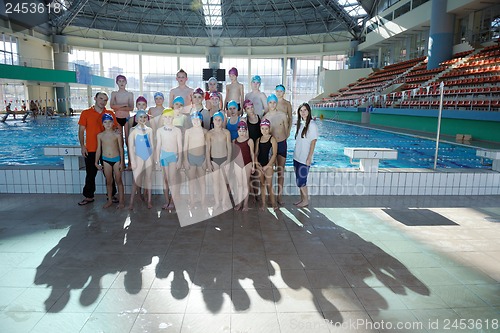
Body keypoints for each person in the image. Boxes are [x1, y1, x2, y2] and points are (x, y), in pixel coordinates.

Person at [78, 92, 118, 206]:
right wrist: (82, 146)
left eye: (105, 100)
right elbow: (81, 131)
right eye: (100, 98)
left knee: (109, 173)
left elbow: (115, 129)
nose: (103, 101)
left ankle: (111, 194)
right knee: (90, 173)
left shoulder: (110, 113)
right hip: (91, 148)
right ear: (95, 98)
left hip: (107, 149)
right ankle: (89, 196)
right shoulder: (86, 113)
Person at [262, 94, 289, 206]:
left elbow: (287, 131)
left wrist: (282, 140)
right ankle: (270, 196)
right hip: (271, 146)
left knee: (280, 171)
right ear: (267, 104)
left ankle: (279, 196)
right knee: (270, 173)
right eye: (270, 102)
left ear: (276, 103)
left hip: (282, 144)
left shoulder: (283, 115)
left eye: (274, 102)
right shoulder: (265, 117)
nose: (272, 104)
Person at [95, 113, 125, 209]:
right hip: (105, 160)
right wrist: (96, 162)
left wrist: (122, 162)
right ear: (102, 124)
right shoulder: (100, 135)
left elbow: (121, 149)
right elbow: (98, 149)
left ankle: (121, 202)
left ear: (113, 123)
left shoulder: (117, 135)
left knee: (118, 180)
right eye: (105, 122)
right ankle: (110, 200)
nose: (108, 124)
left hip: (116, 160)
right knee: (108, 181)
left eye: (110, 122)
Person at [156, 108, 183, 210]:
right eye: (166, 117)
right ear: (163, 118)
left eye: (170, 117)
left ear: (173, 118)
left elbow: (180, 147)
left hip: (173, 156)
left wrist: (180, 160)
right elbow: (158, 146)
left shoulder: (177, 130)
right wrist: (157, 160)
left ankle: (173, 201)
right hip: (163, 156)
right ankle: (167, 200)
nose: (168, 119)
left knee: (172, 180)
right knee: (166, 180)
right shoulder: (160, 130)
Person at [293, 103, 318, 208]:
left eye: (305, 110)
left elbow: (313, 142)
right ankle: (302, 199)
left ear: (309, 111)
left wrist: (309, 157)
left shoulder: (312, 125)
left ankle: (306, 200)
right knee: (299, 181)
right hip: (297, 157)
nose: (303, 112)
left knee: (301, 181)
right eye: (301, 110)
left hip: (304, 159)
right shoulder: (301, 124)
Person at [206, 111, 232, 211]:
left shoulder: (226, 132)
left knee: (223, 182)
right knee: (215, 182)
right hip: (214, 160)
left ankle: (224, 202)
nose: (218, 121)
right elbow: (207, 149)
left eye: (219, 120)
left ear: (222, 121)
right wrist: (208, 162)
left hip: (224, 159)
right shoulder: (209, 133)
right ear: (213, 121)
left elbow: (229, 148)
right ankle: (217, 203)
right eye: (216, 119)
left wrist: (229, 162)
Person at [128, 110, 154, 209]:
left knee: (149, 179)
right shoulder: (133, 130)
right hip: (138, 156)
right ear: (136, 119)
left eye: (144, 117)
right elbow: (131, 147)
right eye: (140, 117)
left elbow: (152, 145)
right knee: (136, 180)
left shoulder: (149, 130)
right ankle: (131, 202)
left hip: (148, 156)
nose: (142, 119)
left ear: (147, 119)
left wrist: (152, 158)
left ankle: (149, 200)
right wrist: (132, 161)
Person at [183, 112, 208, 208]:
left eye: (198, 120)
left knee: (202, 181)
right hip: (191, 158)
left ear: (201, 120)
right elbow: (185, 147)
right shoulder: (188, 132)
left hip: (201, 158)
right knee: (191, 181)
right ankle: (192, 201)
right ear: (191, 120)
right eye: (194, 120)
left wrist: (206, 160)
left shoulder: (205, 131)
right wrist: (185, 160)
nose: (196, 122)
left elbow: (207, 148)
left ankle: (203, 201)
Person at [255, 118, 278, 210]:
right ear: (260, 129)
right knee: (262, 184)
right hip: (260, 165)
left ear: (269, 129)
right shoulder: (258, 140)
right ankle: (263, 203)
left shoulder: (272, 139)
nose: (264, 131)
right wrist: (257, 164)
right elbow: (256, 153)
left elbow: (274, 154)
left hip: (268, 165)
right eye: (262, 128)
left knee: (269, 185)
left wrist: (268, 166)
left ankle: (273, 203)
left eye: (266, 128)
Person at [232, 121, 255, 211]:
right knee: (239, 185)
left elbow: (252, 154)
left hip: (247, 163)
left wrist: (253, 165)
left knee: (245, 184)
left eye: (244, 131)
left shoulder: (250, 141)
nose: (242, 133)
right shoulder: (234, 141)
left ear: (246, 131)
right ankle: (239, 203)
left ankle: (245, 204)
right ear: (237, 131)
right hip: (237, 164)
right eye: (240, 131)